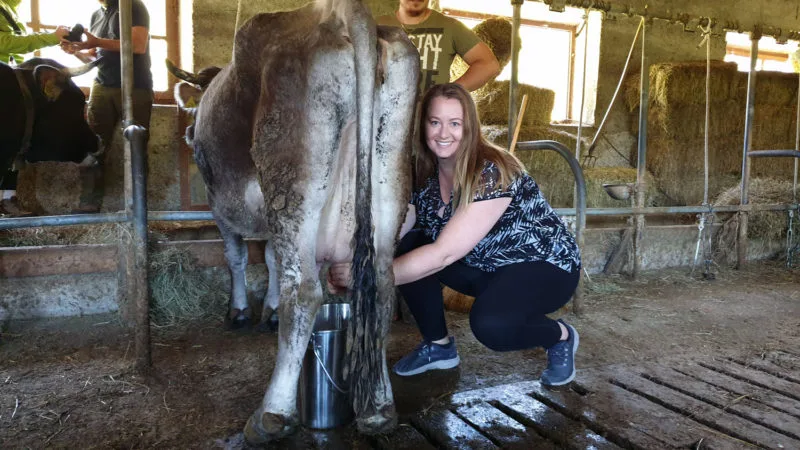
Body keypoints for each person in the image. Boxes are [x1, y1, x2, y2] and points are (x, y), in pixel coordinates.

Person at [329, 83, 582, 386]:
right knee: (408, 246)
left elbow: (444, 254)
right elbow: (397, 227)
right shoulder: (422, 173)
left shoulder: (491, 170)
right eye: (435, 122)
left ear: (470, 127)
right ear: (423, 125)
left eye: (455, 123)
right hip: (484, 265)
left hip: (543, 268)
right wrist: (349, 258)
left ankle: (560, 336)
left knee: (491, 326)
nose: (443, 133)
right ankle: (438, 346)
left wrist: (368, 277)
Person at [61, 0, 153, 212]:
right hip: (102, 84)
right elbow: (93, 54)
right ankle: (89, 204)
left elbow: (138, 45)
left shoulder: (133, 6)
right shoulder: (96, 15)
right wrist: (75, 50)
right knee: (94, 145)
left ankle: (138, 207)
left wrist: (97, 42)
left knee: (136, 145)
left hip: (136, 86)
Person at [0, 0, 70, 215]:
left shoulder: (10, 8)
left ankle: (7, 197)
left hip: (11, 84)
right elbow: (3, 42)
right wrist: (50, 38)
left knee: (17, 139)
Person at [377, 0, 500, 94]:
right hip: (383, 120)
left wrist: (449, 92)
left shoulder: (451, 27)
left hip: (431, 120)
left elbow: (489, 64)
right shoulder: (375, 26)